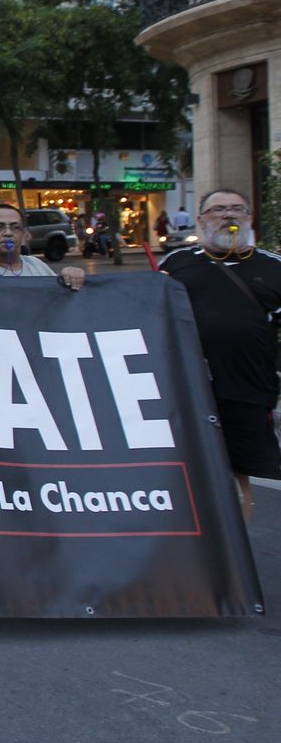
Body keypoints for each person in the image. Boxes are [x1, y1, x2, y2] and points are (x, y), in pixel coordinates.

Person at [160, 190, 281, 521]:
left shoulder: (273, 267)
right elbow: (143, 308)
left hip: (248, 390)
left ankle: (234, 548)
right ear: (201, 220)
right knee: (184, 474)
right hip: (187, 392)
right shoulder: (176, 263)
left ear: (249, 218)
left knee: (237, 480)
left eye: (237, 209)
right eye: (218, 210)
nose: (228, 215)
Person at [0, 204, 84, 290]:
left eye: (15, 227)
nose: (8, 233)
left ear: (24, 235)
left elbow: (57, 299)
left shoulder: (37, 266)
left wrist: (70, 277)